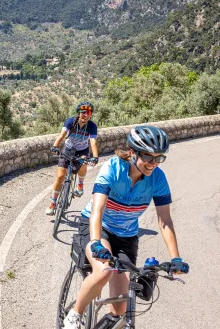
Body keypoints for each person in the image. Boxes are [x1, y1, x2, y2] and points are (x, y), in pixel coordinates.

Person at [63, 125, 190, 329]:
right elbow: (98, 209)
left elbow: (164, 219)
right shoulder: (112, 168)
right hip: (98, 225)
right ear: (132, 152)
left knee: (120, 310)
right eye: (148, 157)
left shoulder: (158, 178)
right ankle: (75, 314)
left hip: (126, 235)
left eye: (159, 158)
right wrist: (96, 243)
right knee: (104, 271)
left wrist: (176, 258)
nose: (153, 164)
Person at [45, 101, 99, 215]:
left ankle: (80, 185)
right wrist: (55, 146)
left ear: (91, 114)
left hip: (82, 150)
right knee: (60, 177)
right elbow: (62, 136)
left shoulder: (92, 126)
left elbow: (93, 142)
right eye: (83, 112)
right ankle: (53, 203)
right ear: (78, 113)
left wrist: (95, 156)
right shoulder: (71, 122)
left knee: (84, 162)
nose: (85, 115)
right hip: (68, 149)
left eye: (88, 112)